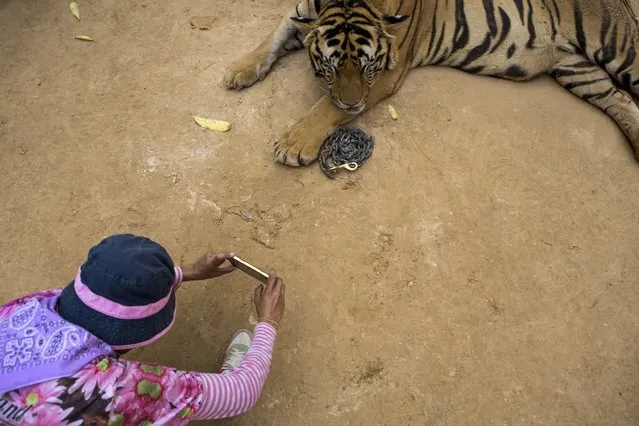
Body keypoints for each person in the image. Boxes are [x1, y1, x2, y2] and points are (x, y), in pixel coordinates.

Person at [0, 234, 285, 425]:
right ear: (138, 335)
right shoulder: (116, 389)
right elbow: (242, 392)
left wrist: (184, 273)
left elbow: (109, 298)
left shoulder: (25, 308)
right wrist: (268, 322)